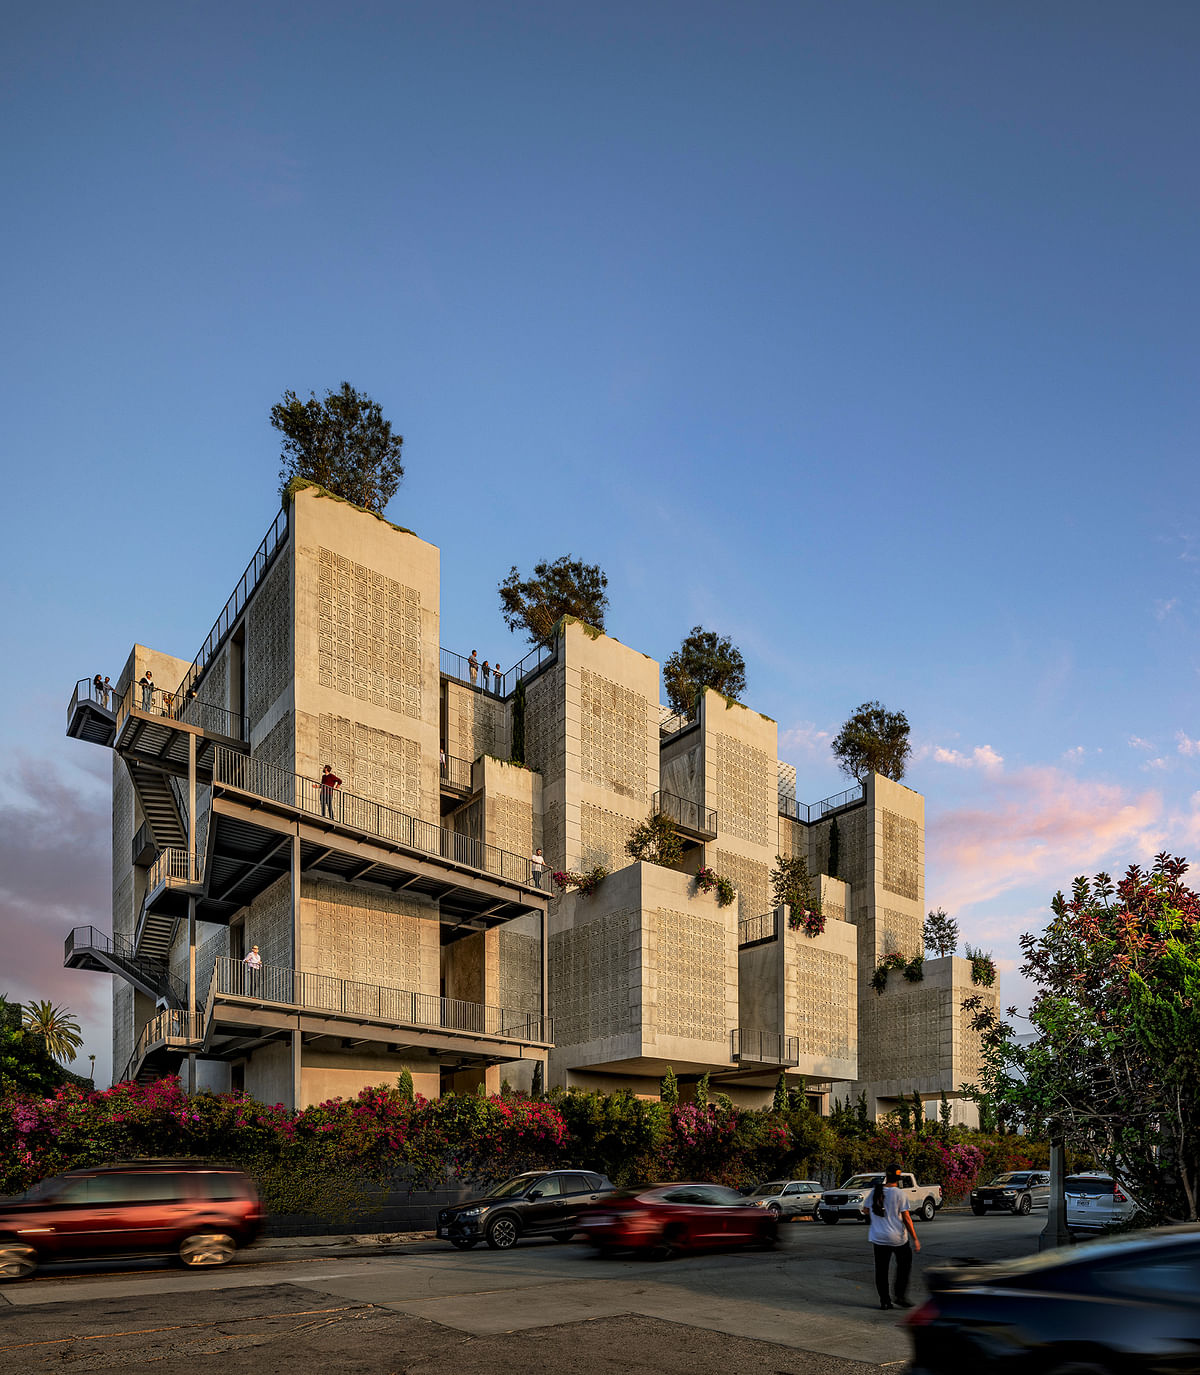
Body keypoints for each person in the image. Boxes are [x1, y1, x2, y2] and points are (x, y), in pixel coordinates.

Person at [865, 1167, 920, 1310]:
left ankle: (885, 1301)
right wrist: (915, 1238)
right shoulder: (899, 1194)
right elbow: (907, 1218)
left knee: (881, 1270)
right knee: (904, 1266)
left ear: (886, 1177)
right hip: (898, 1238)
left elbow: (865, 1210)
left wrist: (877, 1219)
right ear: (898, 1179)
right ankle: (900, 1296)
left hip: (878, 1237)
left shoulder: (874, 1192)